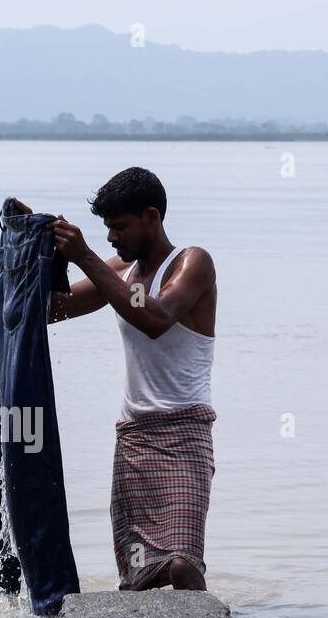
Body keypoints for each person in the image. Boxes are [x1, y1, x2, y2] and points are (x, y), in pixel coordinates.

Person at [20, 166, 218, 591]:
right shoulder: (121, 273)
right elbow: (53, 310)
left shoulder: (191, 263)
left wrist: (87, 256)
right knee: (137, 575)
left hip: (184, 435)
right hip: (133, 439)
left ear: (152, 217)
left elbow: (154, 316)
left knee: (183, 563)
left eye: (119, 227)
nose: (112, 237)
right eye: (106, 229)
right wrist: (34, 241)